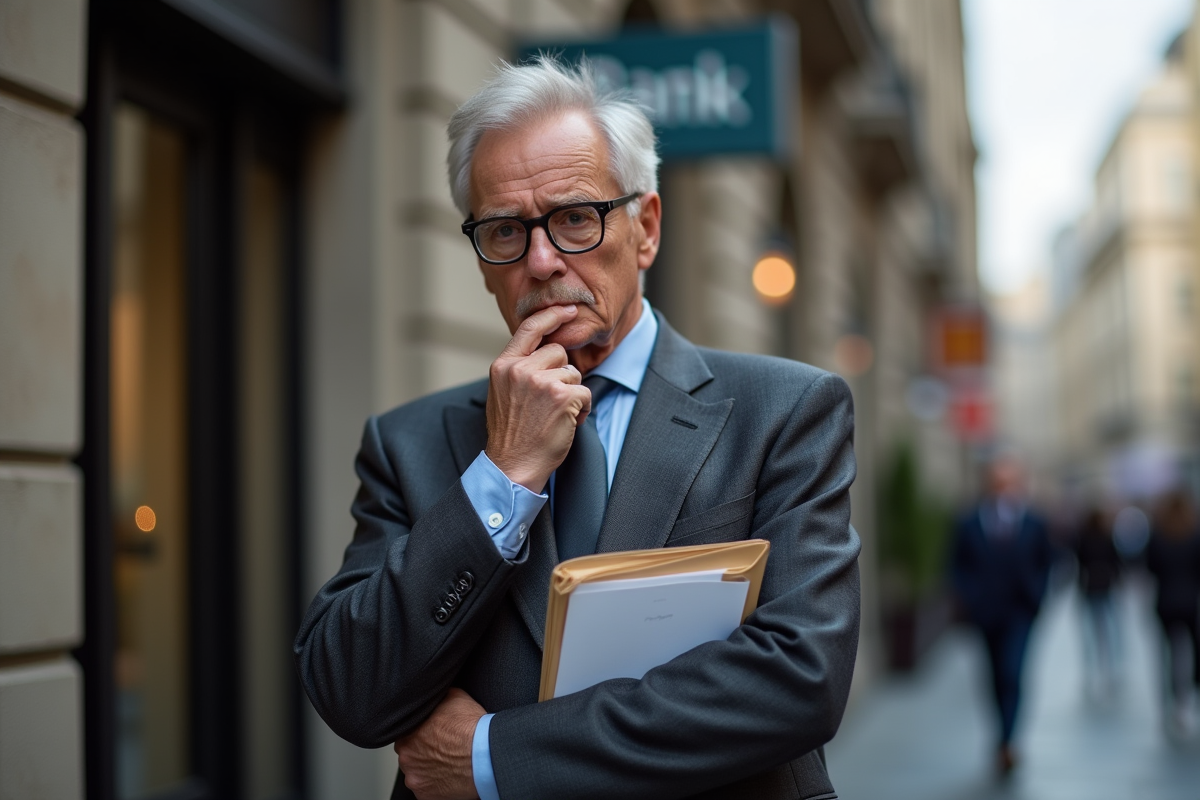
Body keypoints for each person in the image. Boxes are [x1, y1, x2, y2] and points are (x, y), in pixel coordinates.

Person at [293, 57, 861, 800]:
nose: (540, 261)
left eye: (573, 218)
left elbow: (799, 679)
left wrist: (494, 756)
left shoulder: (785, 410)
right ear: (483, 263)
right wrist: (503, 476)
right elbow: (349, 688)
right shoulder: (408, 443)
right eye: (505, 230)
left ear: (645, 229)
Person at [950, 456, 1053, 776]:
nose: (1004, 489)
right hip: (986, 614)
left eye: (1009, 482)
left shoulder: (1034, 522)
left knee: (1013, 672)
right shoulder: (969, 521)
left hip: (1020, 612)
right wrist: (968, 596)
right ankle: (1001, 735)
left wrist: (1037, 595)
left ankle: (1008, 742)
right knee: (994, 677)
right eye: (998, 482)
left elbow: (1047, 561)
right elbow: (956, 564)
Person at [1145, 490, 1200, 735]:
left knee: (1168, 654)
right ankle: (1189, 696)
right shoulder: (1194, 535)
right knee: (1193, 651)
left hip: (1166, 602)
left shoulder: (1159, 535)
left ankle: (1173, 698)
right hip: (1190, 603)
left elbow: (1150, 566)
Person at [1071, 506, 1122, 696]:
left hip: (1090, 586)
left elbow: (1079, 562)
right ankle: (1110, 671)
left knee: (1091, 632)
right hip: (1105, 586)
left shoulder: (1083, 538)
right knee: (1109, 630)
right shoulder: (1107, 538)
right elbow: (1116, 562)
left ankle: (1091, 673)